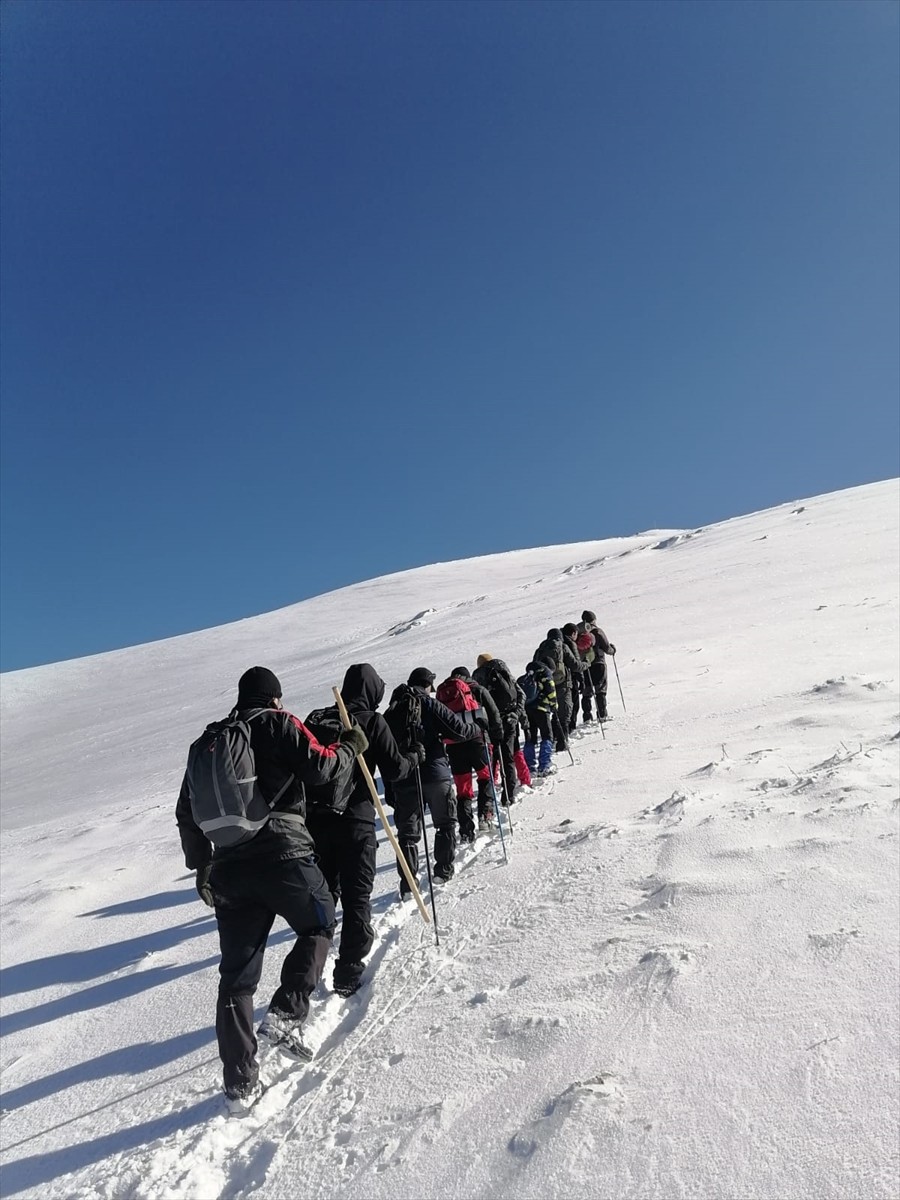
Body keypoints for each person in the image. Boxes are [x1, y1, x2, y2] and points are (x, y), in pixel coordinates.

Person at [175, 666, 368, 1102]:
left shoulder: (210, 743)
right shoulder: (280, 723)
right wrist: (350, 747)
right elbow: (320, 768)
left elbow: (186, 811)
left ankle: (240, 1081)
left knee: (236, 979)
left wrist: (201, 865)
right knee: (319, 923)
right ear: (274, 697)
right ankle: (286, 1011)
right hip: (284, 854)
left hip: (228, 867)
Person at [304, 664, 423, 997]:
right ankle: (348, 971)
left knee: (324, 895)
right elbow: (396, 769)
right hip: (355, 821)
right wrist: (414, 756)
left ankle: (308, 968)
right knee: (357, 897)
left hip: (315, 822)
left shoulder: (317, 717)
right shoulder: (371, 720)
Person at [383, 667, 482, 891]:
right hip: (436, 774)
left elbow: (385, 752)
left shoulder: (391, 710)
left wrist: (390, 785)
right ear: (427, 685)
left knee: (407, 835)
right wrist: (476, 726)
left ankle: (409, 885)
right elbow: (457, 730)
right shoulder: (428, 703)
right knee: (445, 823)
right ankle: (443, 871)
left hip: (404, 778)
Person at [446, 666, 503, 835]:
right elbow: (493, 714)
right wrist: (497, 737)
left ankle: (465, 829)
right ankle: (485, 818)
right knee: (485, 778)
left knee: (463, 788)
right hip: (478, 742)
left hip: (454, 746)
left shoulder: (446, 694)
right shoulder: (478, 690)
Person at [472, 652, 525, 805]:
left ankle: (490, 794)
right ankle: (508, 795)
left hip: (489, 723)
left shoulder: (477, 677)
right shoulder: (503, 671)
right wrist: (516, 713)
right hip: (509, 719)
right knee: (508, 758)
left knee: (492, 758)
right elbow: (520, 694)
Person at [533, 628, 580, 749]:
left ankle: (552, 739)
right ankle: (562, 742)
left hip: (546, 685)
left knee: (551, 712)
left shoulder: (540, 649)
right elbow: (574, 665)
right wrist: (585, 664)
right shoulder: (563, 646)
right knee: (564, 713)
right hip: (562, 683)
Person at [517, 659, 557, 776]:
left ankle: (530, 766)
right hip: (542, 709)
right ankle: (544, 765)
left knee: (530, 738)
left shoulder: (527, 676)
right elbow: (551, 689)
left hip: (527, 710)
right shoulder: (545, 673)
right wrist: (554, 705)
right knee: (547, 736)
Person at [578, 610, 617, 720]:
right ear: (594, 619)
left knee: (586, 692)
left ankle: (587, 717)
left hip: (585, 665)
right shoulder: (597, 631)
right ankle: (602, 715)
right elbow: (606, 648)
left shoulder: (580, 633)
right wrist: (613, 650)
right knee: (600, 690)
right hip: (599, 663)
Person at [561, 623, 586, 732]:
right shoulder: (570, 644)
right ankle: (570, 728)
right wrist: (582, 679)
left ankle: (559, 730)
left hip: (555, 680)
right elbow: (576, 664)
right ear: (573, 633)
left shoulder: (557, 641)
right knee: (573, 704)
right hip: (570, 679)